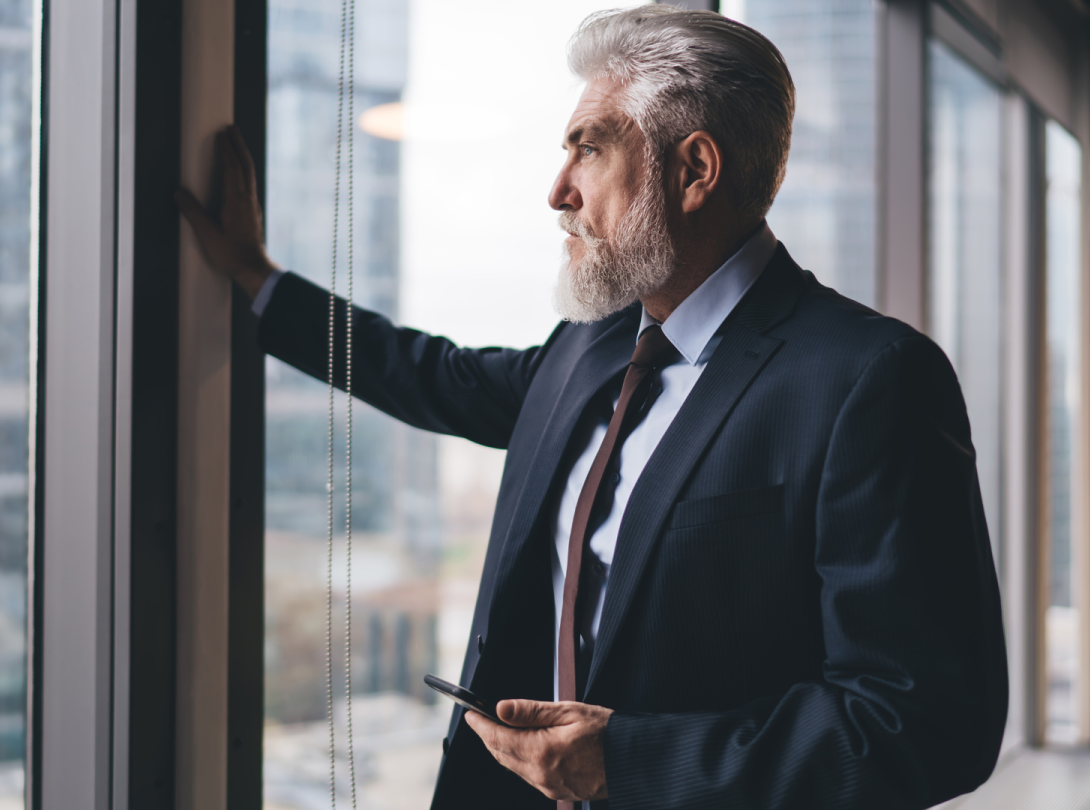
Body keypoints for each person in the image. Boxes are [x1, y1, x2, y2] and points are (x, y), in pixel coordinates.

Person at [177, 6, 1007, 808]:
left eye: (589, 150)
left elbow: (924, 723)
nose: (558, 191)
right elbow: (440, 376)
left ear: (694, 172)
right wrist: (262, 287)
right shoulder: (597, 340)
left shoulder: (869, 380)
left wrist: (627, 763)